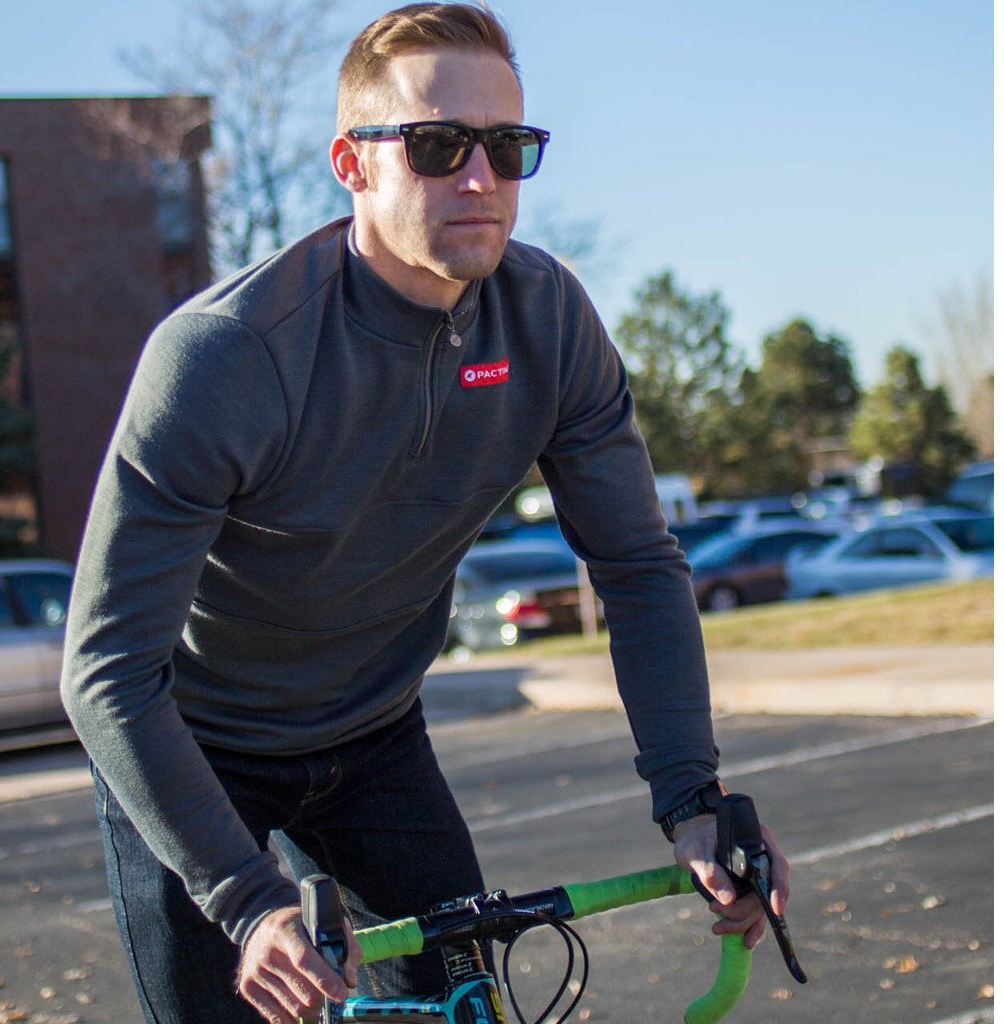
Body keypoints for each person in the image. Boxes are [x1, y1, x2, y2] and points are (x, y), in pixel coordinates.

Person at [61, 4, 791, 1023]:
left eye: (507, 146)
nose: (480, 178)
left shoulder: (549, 320)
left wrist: (694, 800)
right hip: (197, 747)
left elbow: (635, 564)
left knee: (464, 1008)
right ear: (351, 165)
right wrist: (246, 902)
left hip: (373, 737)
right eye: (438, 145)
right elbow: (103, 670)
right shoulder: (227, 358)